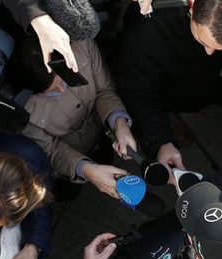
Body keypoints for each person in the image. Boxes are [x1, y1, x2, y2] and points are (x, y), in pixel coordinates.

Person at [114, 0, 222, 182]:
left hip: (207, 84)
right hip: (173, 88)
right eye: (202, 41)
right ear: (191, 6)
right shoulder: (148, 29)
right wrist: (161, 140)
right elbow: (139, 90)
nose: (209, 52)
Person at [20, 37, 137, 199]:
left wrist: (119, 122)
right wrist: (85, 170)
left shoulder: (82, 44)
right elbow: (52, 149)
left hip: (102, 132)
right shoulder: (21, 110)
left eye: (63, 78)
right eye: (52, 91)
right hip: (70, 159)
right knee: (68, 193)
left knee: (105, 156)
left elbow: (104, 89)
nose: (62, 88)